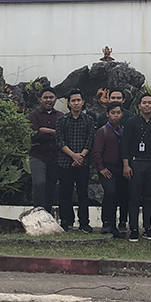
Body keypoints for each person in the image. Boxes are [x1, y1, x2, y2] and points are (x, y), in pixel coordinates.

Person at [122, 93, 151, 242]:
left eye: (149, 102)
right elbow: (125, 144)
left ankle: (147, 227)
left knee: (149, 197)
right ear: (139, 105)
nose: (146, 105)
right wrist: (126, 165)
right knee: (134, 196)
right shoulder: (131, 122)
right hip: (135, 163)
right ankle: (133, 228)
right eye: (144, 102)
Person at [55, 89, 95, 233]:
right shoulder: (62, 120)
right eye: (73, 101)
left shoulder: (89, 120)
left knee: (83, 193)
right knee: (65, 192)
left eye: (79, 100)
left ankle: (84, 222)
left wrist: (80, 157)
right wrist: (73, 156)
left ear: (83, 102)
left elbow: (90, 140)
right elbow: (60, 141)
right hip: (65, 162)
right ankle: (66, 221)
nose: (76, 103)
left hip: (83, 163)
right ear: (69, 103)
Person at [92, 101, 125, 237]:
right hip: (107, 168)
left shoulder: (123, 130)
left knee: (119, 196)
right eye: (113, 113)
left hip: (121, 167)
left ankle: (116, 224)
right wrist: (101, 168)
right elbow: (96, 152)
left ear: (122, 114)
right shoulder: (102, 131)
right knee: (110, 193)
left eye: (118, 113)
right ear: (107, 114)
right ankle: (106, 222)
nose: (115, 116)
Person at [27, 87, 61, 213]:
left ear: (55, 99)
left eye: (51, 97)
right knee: (39, 183)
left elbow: (61, 135)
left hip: (55, 157)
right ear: (40, 100)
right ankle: (37, 212)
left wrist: (46, 130)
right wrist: (53, 133)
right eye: (45, 98)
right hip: (38, 156)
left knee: (50, 187)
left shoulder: (60, 116)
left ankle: (46, 213)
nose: (48, 100)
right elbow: (34, 135)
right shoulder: (33, 115)